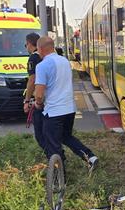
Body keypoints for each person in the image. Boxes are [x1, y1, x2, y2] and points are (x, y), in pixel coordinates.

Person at [34, 36, 98, 172]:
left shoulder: (42, 66)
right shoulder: (65, 61)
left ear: (40, 49)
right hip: (69, 109)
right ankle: (90, 157)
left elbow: (39, 94)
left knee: (53, 146)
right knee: (66, 136)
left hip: (53, 112)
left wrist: (38, 104)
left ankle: (60, 177)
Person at [23, 33, 43, 148]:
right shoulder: (46, 55)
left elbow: (32, 80)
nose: (26, 47)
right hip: (52, 97)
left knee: (40, 134)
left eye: (25, 45)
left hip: (39, 98)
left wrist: (27, 101)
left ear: (29, 43)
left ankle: (52, 157)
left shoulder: (33, 58)